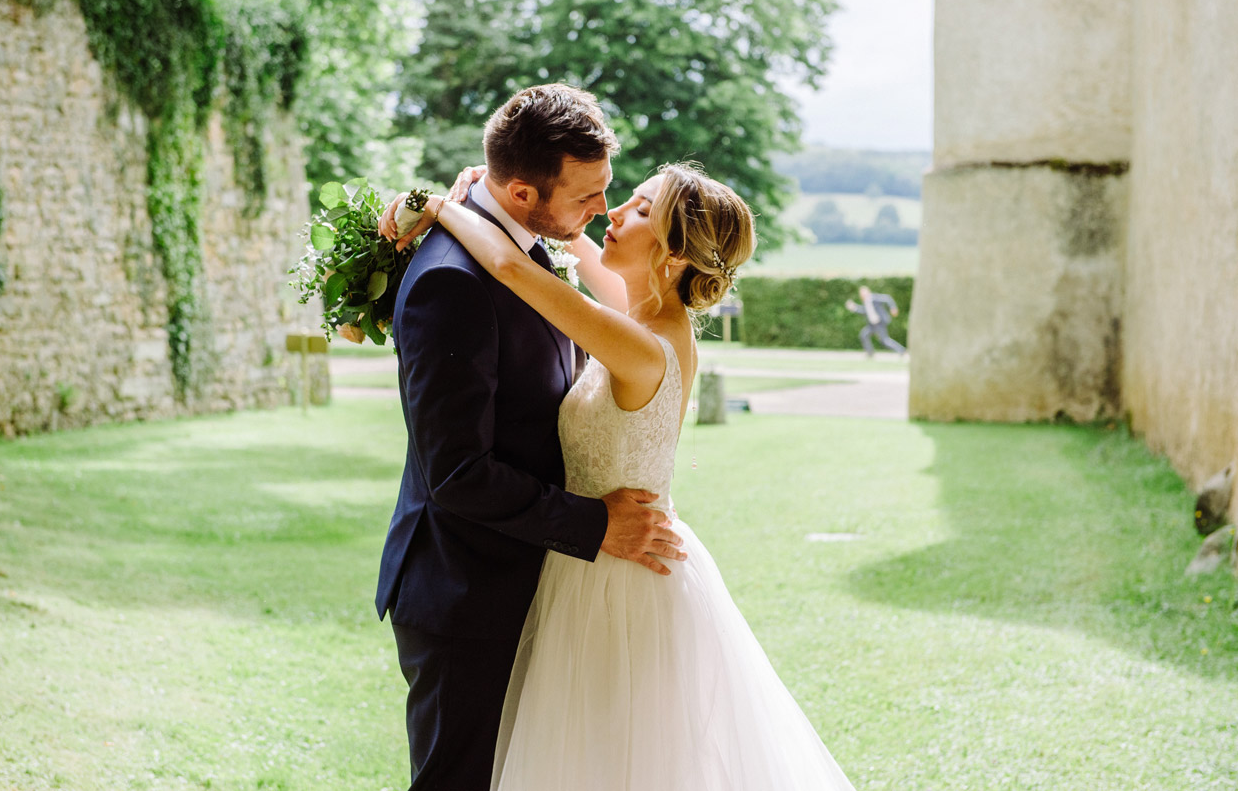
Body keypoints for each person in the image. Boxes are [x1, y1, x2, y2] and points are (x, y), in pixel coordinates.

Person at [384, 161, 858, 791]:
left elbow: (511, 268)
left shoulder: (639, 345)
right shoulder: (641, 316)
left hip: (615, 575)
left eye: (638, 210)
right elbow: (564, 242)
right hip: (585, 556)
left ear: (673, 253)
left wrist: (443, 209)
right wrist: (488, 187)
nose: (613, 212)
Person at [374, 84, 686, 791]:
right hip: (466, 592)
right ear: (519, 193)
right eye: (587, 197)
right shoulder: (453, 279)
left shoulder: (523, 246)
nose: (600, 213)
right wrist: (595, 523)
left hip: (534, 579)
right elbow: (456, 472)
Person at [846, 284, 906, 357]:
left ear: (868, 291)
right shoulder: (866, 302)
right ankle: (870, 353)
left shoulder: (874, 298)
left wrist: (893, 307)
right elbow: (864, 311)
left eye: (864, 292)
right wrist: (854, 308)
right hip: (872, 325)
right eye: (861, 293)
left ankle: (901, 350)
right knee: (864, 335)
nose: (863, 294)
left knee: (885, 340)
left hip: (880, 323)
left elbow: (887, 298)